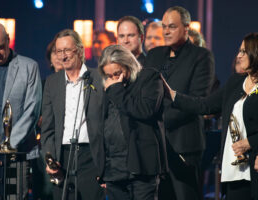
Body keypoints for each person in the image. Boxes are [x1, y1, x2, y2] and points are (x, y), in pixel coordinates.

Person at [163, 32, 258, 200]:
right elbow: (205, 105)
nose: (239, 56)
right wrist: (173, 95)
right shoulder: (236, 81)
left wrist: (251, 142)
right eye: (239, 50)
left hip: (254, 168)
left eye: (244, 51)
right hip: (234, 170)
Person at [145, 6, 215, 200]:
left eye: (172, 27)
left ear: (186, 28)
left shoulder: (201, 56)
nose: (166, 31)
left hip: (184, 145)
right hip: (156, 148)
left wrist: (158, 123)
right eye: (164, 27)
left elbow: (198, 101)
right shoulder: (154, 55)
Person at [0, 22, 42, 198]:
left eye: (0, 47)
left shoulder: (29, 66)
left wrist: (6, 146)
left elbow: (32, 111)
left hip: (17, 148)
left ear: (8, 40)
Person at [41, 29, 105, 200]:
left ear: (80, 50)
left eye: (67, 50)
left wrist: (107, 165)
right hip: (62, 159)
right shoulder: (52, 83)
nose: (63, 56)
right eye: (59, 51)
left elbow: (109, 124)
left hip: (91, 157)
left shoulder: (99, 78)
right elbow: (47, 127)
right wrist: (50, 159)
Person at [97, 44, 167, 200]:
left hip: (141, 166)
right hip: (114, 169)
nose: (114, 78)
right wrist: (102, 169)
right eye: (109, 75)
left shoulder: (149, 77)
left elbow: (145, 110)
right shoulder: (109, 86)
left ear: (128, 65)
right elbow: (103, 126)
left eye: (118, 73)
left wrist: (116, 90)